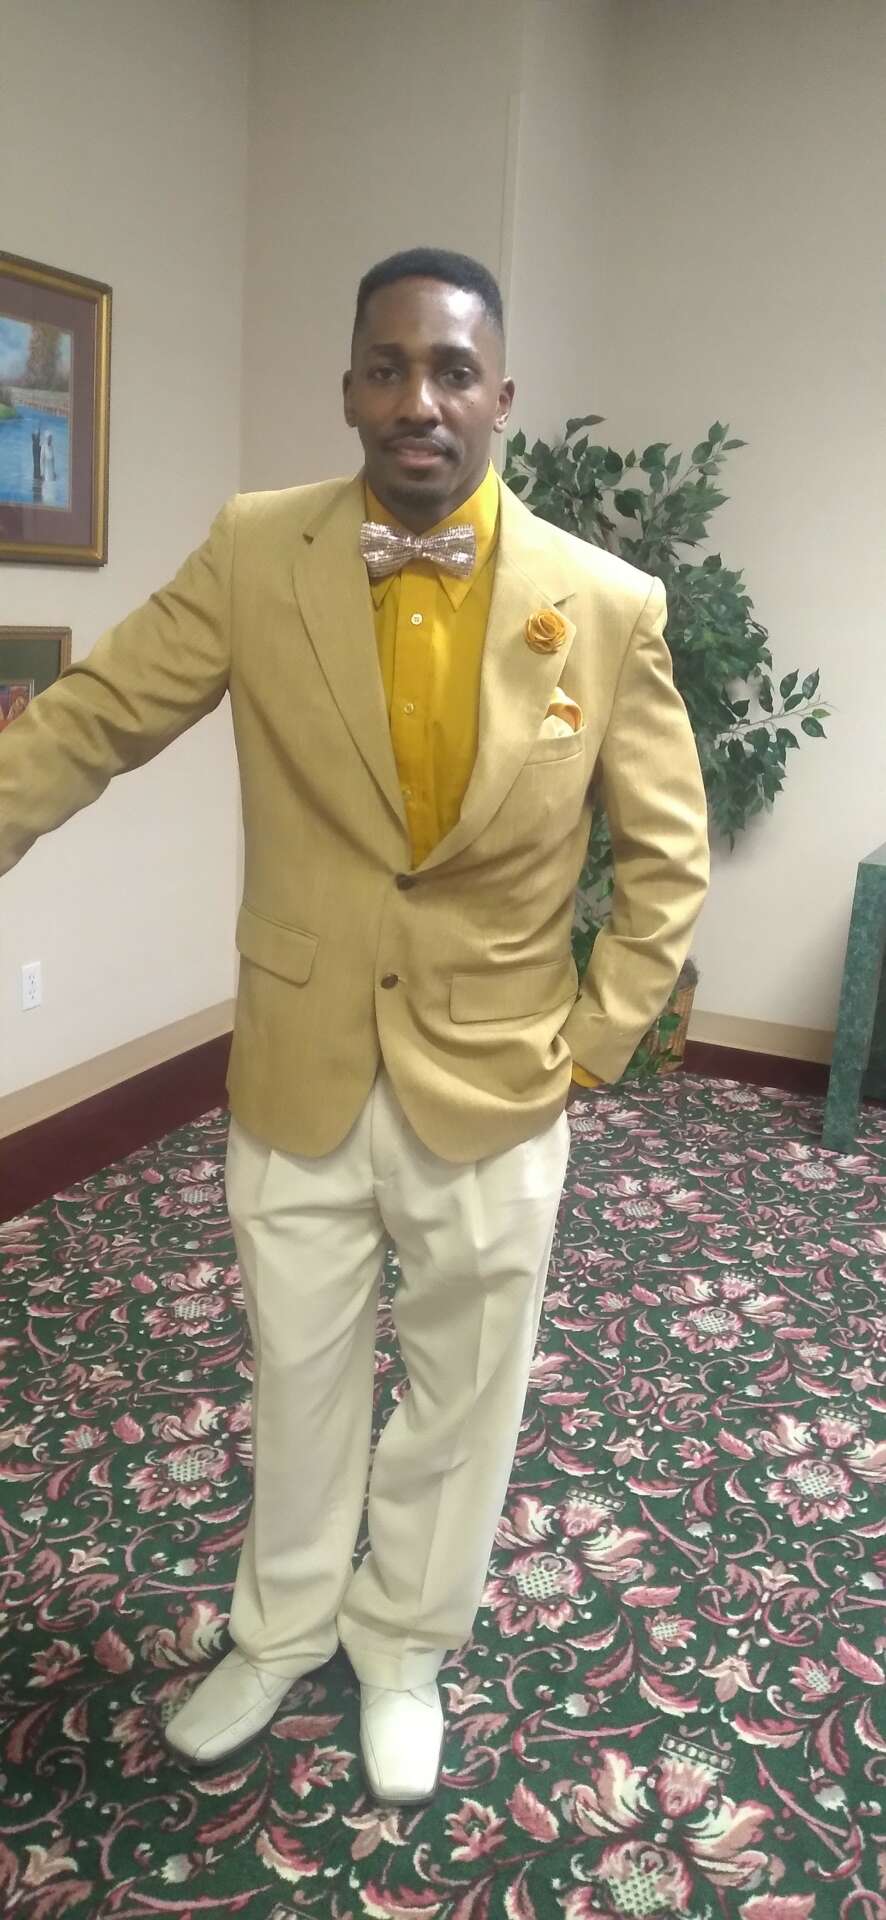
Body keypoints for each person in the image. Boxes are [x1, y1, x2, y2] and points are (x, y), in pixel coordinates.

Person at [0, 248, 709, 1805]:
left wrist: (593, 1040)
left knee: (462, 1395)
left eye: (450, 370)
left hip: (502, 1078)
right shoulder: (257, 550)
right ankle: (276, 1632)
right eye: (387, 368)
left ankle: (402, 1646)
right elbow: (96, 715)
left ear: (500, 395)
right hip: (299, 1057)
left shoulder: (605, 602)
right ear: (347, 391)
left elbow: (666, 855)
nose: (417, 400)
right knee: (298, 1377)